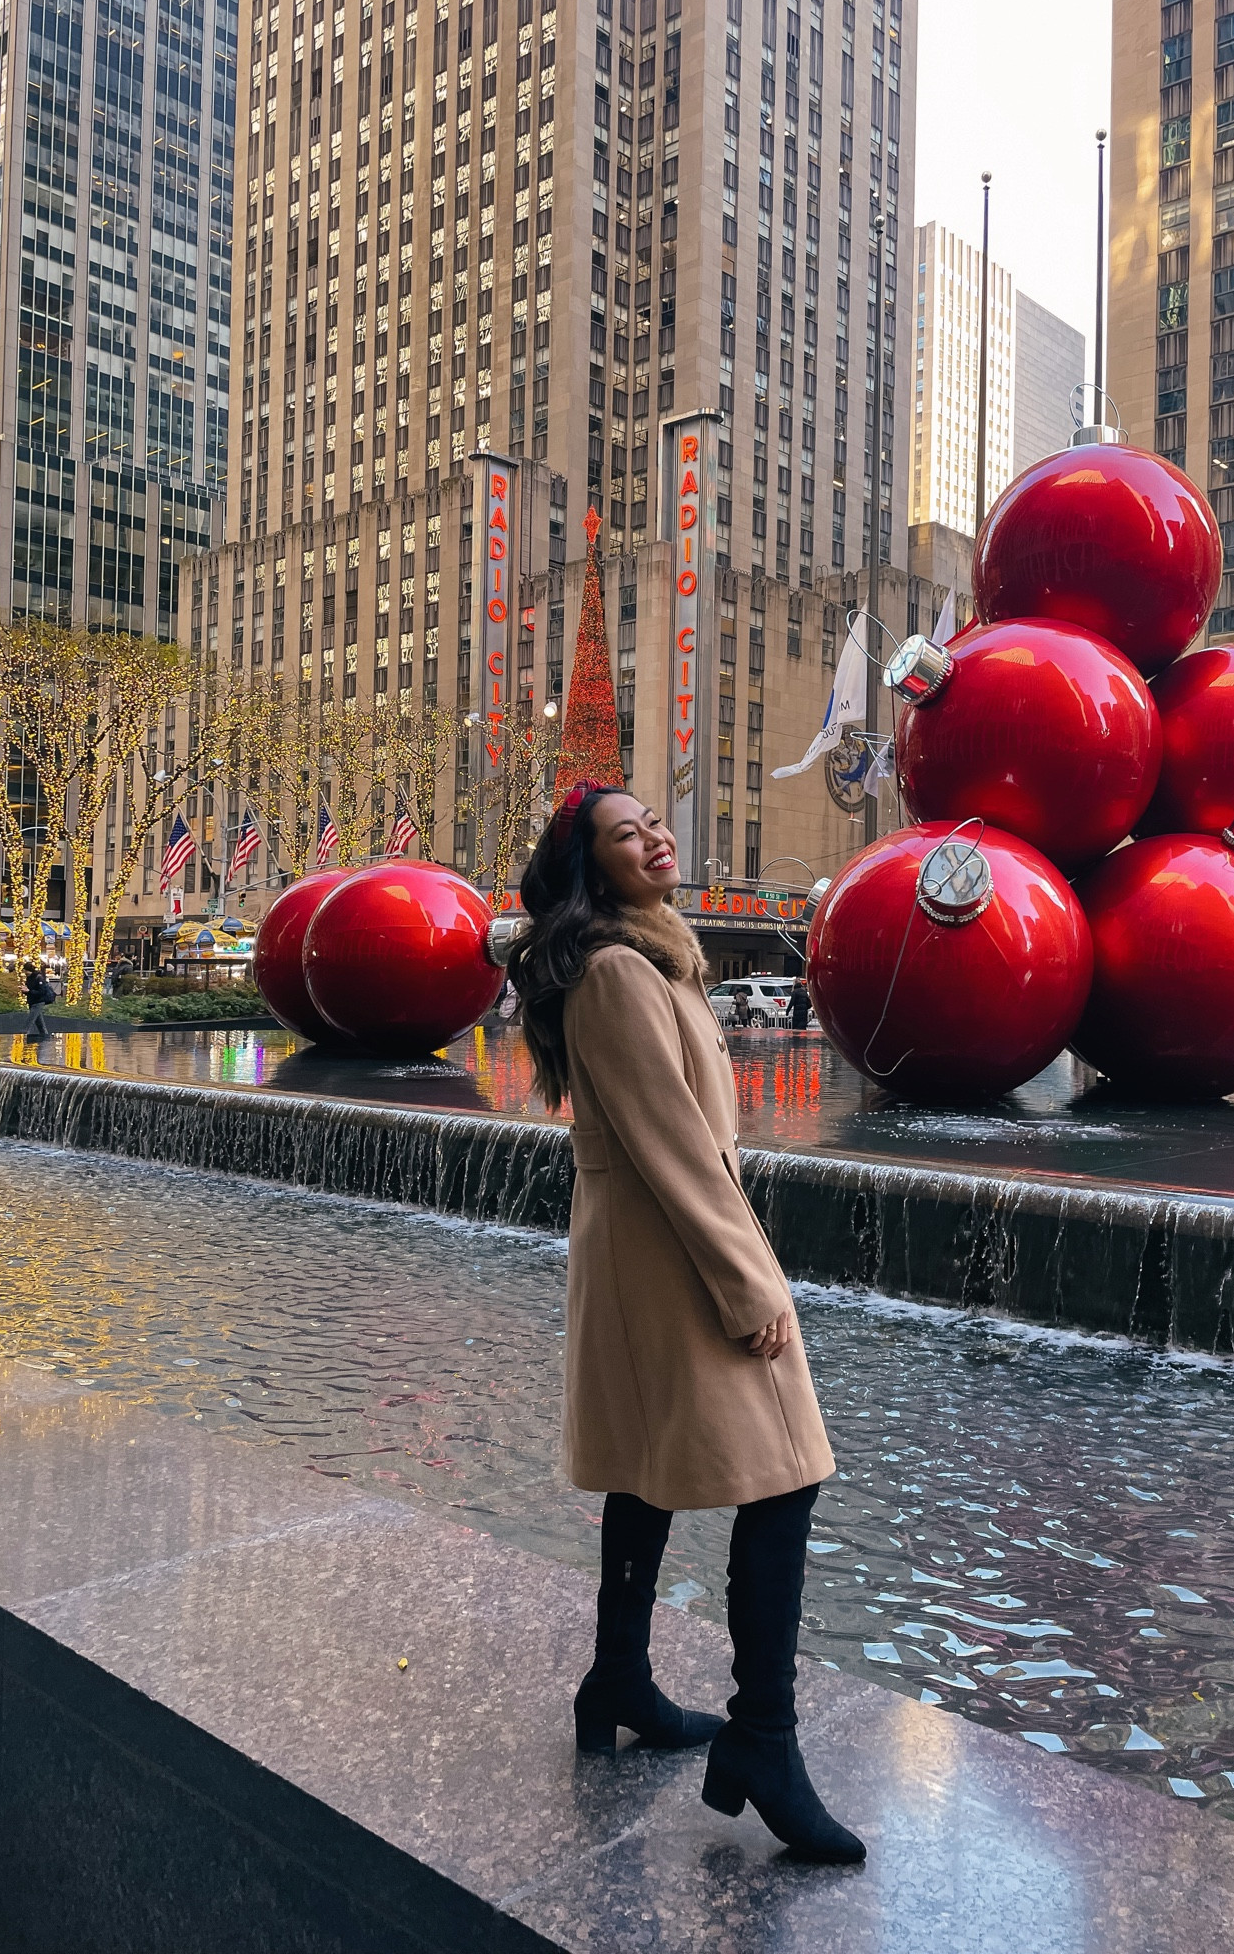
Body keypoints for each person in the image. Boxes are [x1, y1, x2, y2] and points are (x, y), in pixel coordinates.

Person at [507, 782, 864, 1866]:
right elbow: (676, 1148)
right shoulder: (616, 972)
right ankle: (763, 1736)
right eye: (628, 834)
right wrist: (750, 1285)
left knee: (646, 1466)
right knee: (787, 1471)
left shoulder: (643, 961)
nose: (656, 837)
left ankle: (619, 1679)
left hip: (642, 1243)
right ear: (592, 868)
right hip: (670, 1249)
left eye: (656, 822)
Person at [22, 963, 56, 1040]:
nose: (24, 973)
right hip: (32, 1002)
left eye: (25, 971)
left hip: (38, 1002)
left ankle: (22, 1037)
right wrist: (25, 991)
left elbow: (41, 992)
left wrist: (29, 991)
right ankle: (46, 1038)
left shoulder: (39, 978)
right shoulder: (29, 978)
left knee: (29, 1021)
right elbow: (30, 990)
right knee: (40, 1024)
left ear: (28, 970)